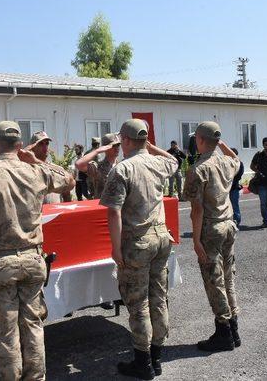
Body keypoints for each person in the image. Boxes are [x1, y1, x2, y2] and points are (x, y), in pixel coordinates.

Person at [0, 121, 74, 380]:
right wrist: (36, 160)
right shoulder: (35, 172)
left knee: (6, 332)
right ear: (20, 145)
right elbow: (68, 180)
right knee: (33, 327)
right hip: (33, 260)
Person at [100, 119, 178, 379]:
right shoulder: (157, 163)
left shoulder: (123, 169)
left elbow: (113, 212)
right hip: (162, 238)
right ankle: (156, 358)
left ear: (126, 140)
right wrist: (150, 146)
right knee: (159, 298)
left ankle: (142, 362)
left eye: (122, 139)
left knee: (138, 303)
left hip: (138, 242)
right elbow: (174, 161)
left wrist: (115, 248)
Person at [183, 121, 241, 353]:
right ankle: (234, 329)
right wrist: (221, 144)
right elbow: (236, 160)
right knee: (228, 278)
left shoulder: (198, 169)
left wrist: (196, 241)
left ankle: (223, 332)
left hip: (211, 230)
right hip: (228, 225)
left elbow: (196, 210)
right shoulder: (226, 162)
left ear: (200, 140)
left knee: (214, 282)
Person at [28, 131, 72, 204]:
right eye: (41, 144)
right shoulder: (27, 169)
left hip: (55, 213)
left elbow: (66, 194)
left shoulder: (57, 169)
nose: (45, 147)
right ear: (33, 147)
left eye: (47, 143)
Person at [75, 133, 120, 199]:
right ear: (105, 148)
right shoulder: (98, 167)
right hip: (103, 206)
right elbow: (79, 164)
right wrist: (98, 151)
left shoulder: (122, 165)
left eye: (118, 145)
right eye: (113, 146)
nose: (117, 148)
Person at [229, 148, 244, 226]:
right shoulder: (226, 163)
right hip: (226, 189)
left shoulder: (239, 163)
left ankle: (237, 221)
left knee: (234, 205)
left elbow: (239, 175)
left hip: (234, 188)